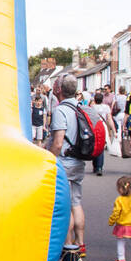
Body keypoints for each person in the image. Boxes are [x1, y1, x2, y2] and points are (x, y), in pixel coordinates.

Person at [47, 75, 87, 252]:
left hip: (64, 163)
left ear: (59, 90)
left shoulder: (60, 110)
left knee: (64, 206)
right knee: (76, 202)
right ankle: (80, 243)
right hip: (79, 161)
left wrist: (48, 160)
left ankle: (68, 246)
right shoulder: (81, 107)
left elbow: (58, 142)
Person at [90, 91, 116, 176]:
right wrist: (114, 131)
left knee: (95, 146)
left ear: (95, 99)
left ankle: (95, 166)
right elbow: (109, 119)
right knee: (101, 146)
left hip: (94, 127)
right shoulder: (106, 107)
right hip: (103, 127)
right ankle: (99, 167)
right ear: (102, 99)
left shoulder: (91, 107)